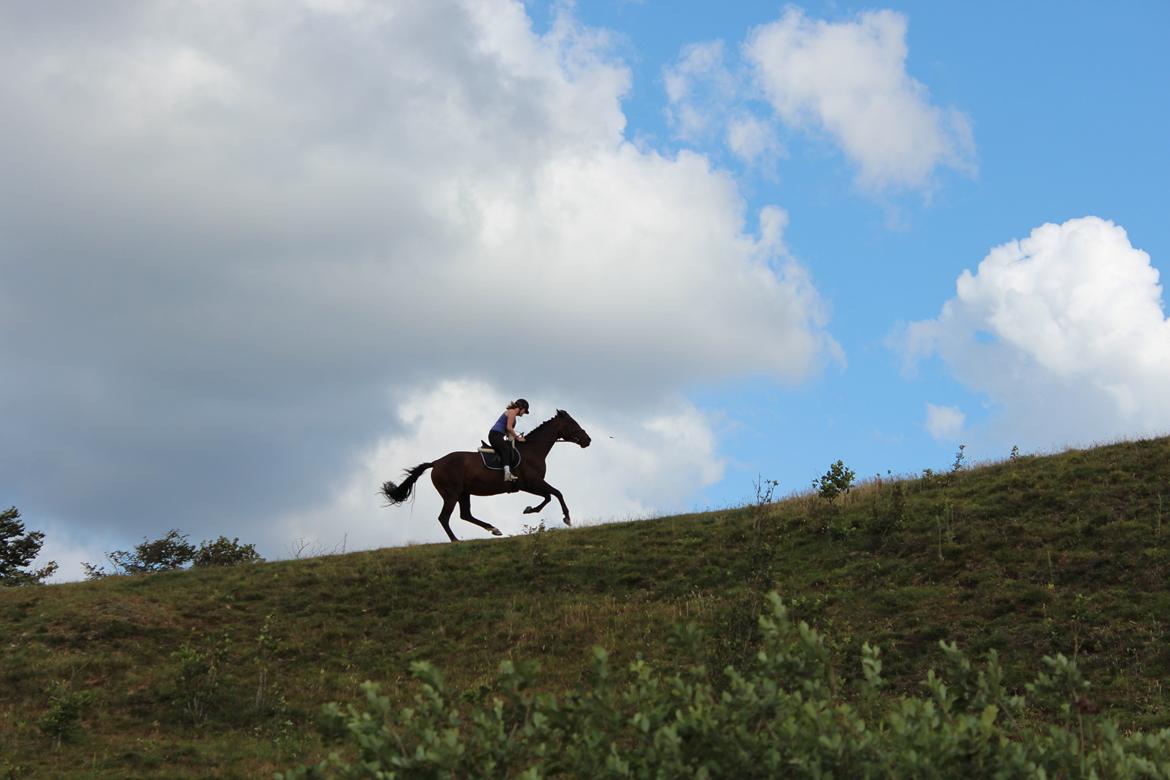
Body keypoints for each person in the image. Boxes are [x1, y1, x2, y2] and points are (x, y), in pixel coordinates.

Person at [489, 399, 529, 481]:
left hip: (499, 436)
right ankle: (507, 474)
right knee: (505, 449)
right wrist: (518, 438)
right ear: (521, 407)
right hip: (495, 435)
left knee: (509, 449)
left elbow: (508, 433)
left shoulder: (514, 418)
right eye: (524, 411)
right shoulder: (512, 412)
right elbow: (509, 428)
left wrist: (518, 439)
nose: (523, 413)